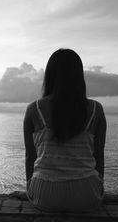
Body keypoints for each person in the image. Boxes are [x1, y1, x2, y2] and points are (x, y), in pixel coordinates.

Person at [23, 49, 106, 212]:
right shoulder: (96, 109)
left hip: (44, 194)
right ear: (79, 76)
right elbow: (99, 156)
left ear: (50, 75)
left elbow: (30, 157)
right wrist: (99, 187)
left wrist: (30, 188)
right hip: (87, 194)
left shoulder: (34, 109)